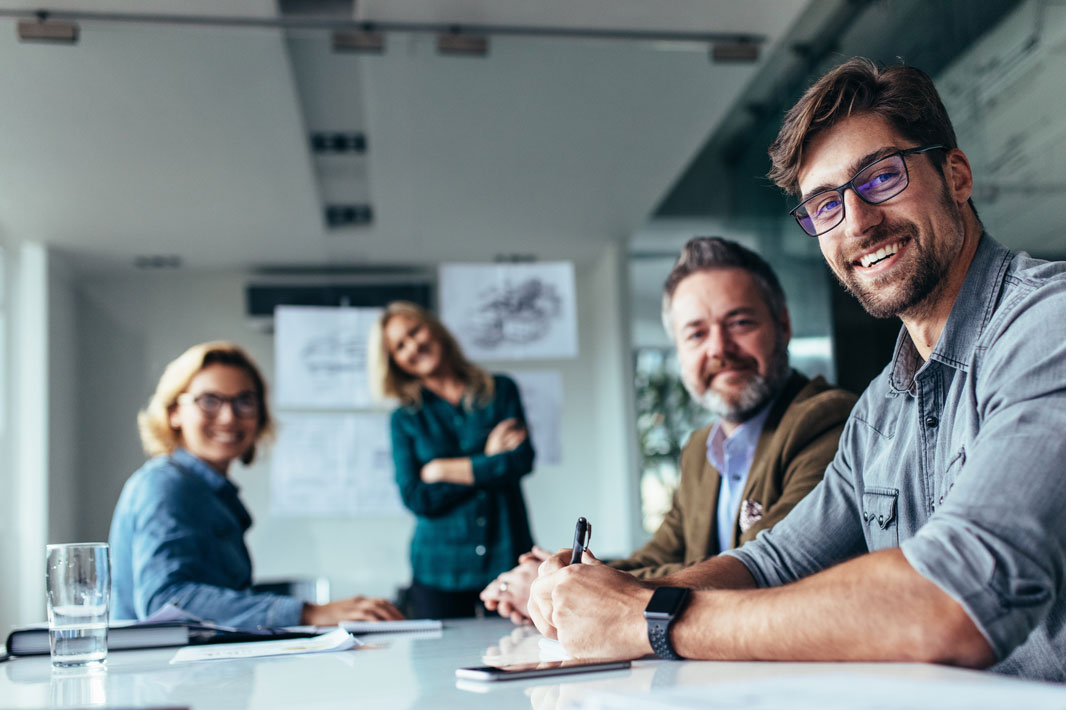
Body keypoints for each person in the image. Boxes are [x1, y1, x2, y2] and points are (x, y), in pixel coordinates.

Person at [527, 58, 1066, 691]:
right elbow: (774, 561)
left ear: (955, 173)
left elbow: (955, 603)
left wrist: (650, 619)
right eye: (824, 205)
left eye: (880, 178)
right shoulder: (884, 406)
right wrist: (612, 596)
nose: (856, 222)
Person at [480, 237, 857, 623]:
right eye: (696, 334)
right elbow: (661, 555)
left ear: (783, 325)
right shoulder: (700, 450)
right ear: (679, 350)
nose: (718, 349)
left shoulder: (825, 420)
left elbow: (762, 567)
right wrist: (567, 577)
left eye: (740, 323)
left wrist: (569, 588)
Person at [110, 341, 403, 627]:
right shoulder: (166, 486)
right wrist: (307, 613)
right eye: (209, 401)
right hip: (159, 674)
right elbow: (165, 601)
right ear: (174, 411)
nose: (228, 417)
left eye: (245, 401)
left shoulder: (211, 492)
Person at [369, 301, 535, 619]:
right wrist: (488, 459)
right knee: (438, 666)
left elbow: (520, 461)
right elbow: (417, 497)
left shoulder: (500, 390)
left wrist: (442, 469)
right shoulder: (405, 418)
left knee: (519, 655)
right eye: (400, 346)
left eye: (415, 331)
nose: (413, 345)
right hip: (439, 569)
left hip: (507, 555)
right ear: (394, 362)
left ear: (433, 328)